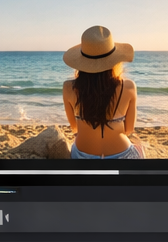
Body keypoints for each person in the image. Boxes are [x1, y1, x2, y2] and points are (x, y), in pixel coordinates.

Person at [62, 25, 145, 159]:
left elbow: (74, 128)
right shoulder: (128, 86)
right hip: (122, 153)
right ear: (115, 59)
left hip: (83, 154)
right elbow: (128, 130)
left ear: (82, 61)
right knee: (139, 147)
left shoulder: (68, 87)